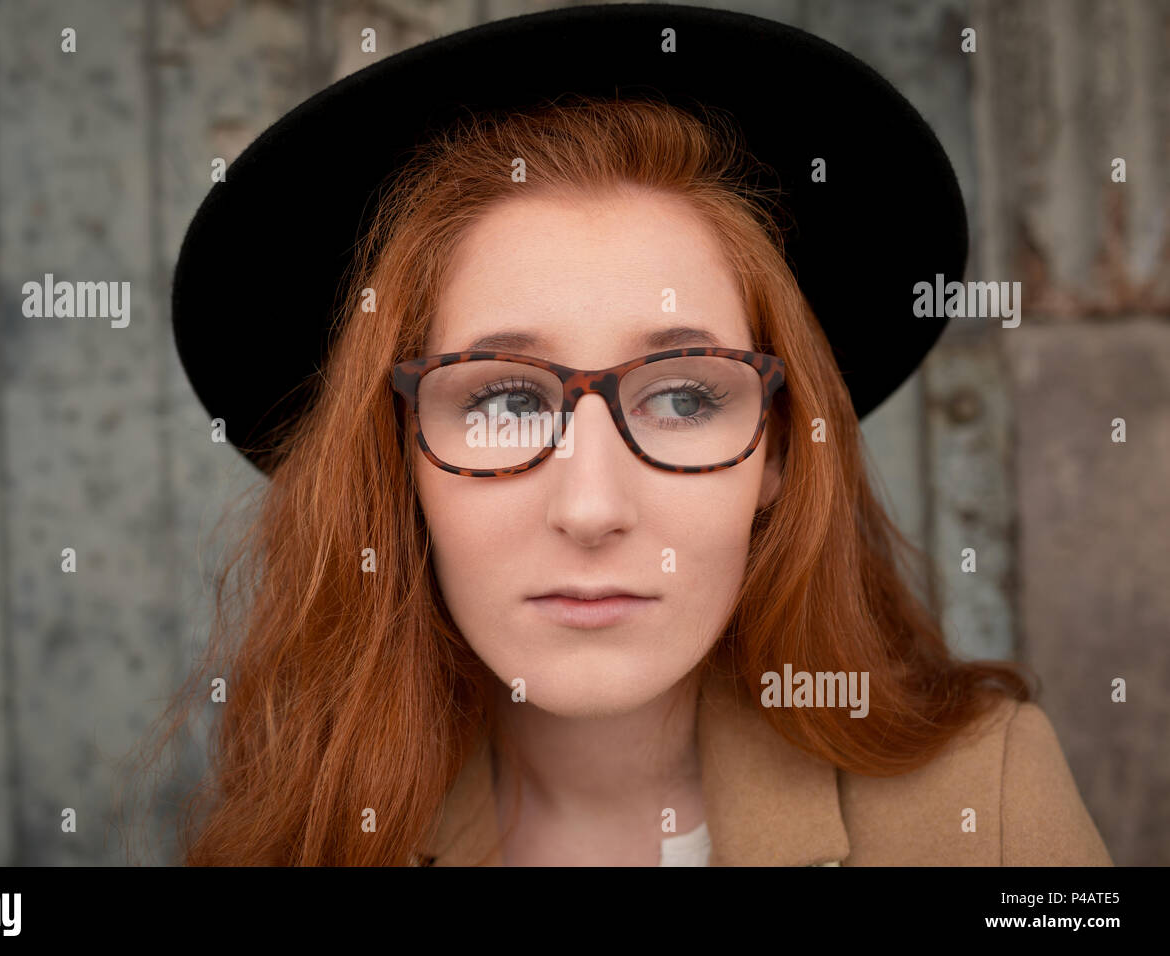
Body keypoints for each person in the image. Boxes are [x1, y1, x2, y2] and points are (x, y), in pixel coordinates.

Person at [159, 5, 1112, 867]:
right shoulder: (305, 834)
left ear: (779, 447)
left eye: (687, 398)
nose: (592, 508)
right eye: (502, 403)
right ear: (398, 456)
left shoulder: (983, 811)